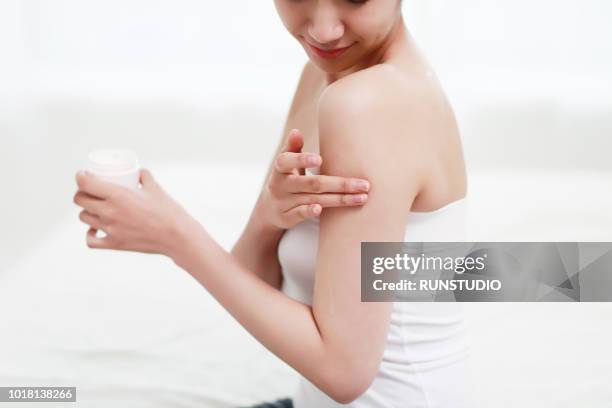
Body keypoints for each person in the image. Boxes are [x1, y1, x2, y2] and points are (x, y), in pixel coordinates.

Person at [73, 0, 473, 406]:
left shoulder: (368, 103)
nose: (324, 30)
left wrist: (174, 237)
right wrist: (270, 214)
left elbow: (343, 371)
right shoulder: (323, 76)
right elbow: (253, 278)